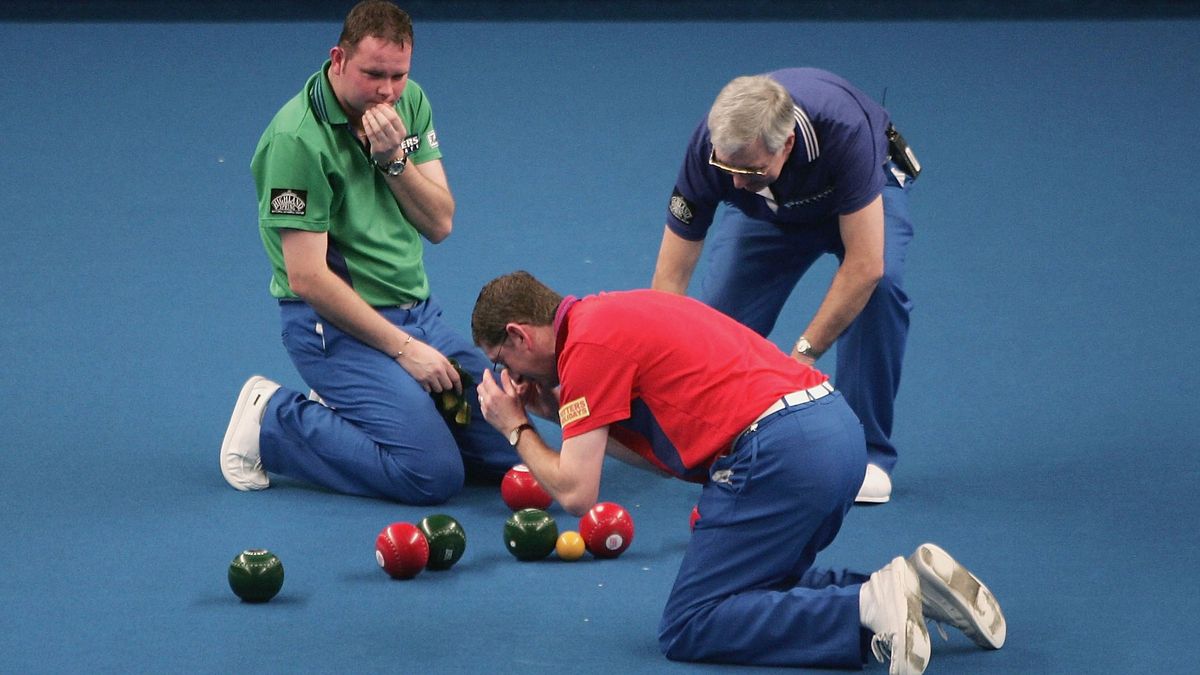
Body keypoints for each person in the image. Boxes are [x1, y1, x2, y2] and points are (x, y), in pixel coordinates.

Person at [471, 271, 1005, 672]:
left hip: (778, 454)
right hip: (834, 432)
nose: (509, 375)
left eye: (503, 360)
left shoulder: (584, 350)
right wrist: (556, 414)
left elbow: (575, 494)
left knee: (691, 623)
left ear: (520, 336)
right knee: (759, 586)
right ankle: (908, 586)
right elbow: (661, 463)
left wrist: (514, 427)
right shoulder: (607, 314)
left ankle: (864, 607)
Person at [219, 0, 517, 504]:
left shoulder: (410, 103)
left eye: (398, 75)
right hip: (331, 328)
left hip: (418, 315)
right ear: (338, 59)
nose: (387, 90)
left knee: (512, 452)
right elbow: (308, 279)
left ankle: (361, 412)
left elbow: (439, 222)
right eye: (373, 74)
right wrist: (404, 351)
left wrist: (394, 161)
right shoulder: (296, 140)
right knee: (433, 475)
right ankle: (270, 422)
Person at [651, 69, 919, 504]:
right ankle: (708, 435)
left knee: (881, 288)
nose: (734, 181)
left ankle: (866, 453)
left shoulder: (843, 130)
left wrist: (802, 357)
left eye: (748, 169)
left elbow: (865, 265)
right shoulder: (711, 148)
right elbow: (669, 280)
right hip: (767, 209)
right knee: (715, 323)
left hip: (858, 196)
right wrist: (658, 385)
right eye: (726, 168)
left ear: (787, 143)